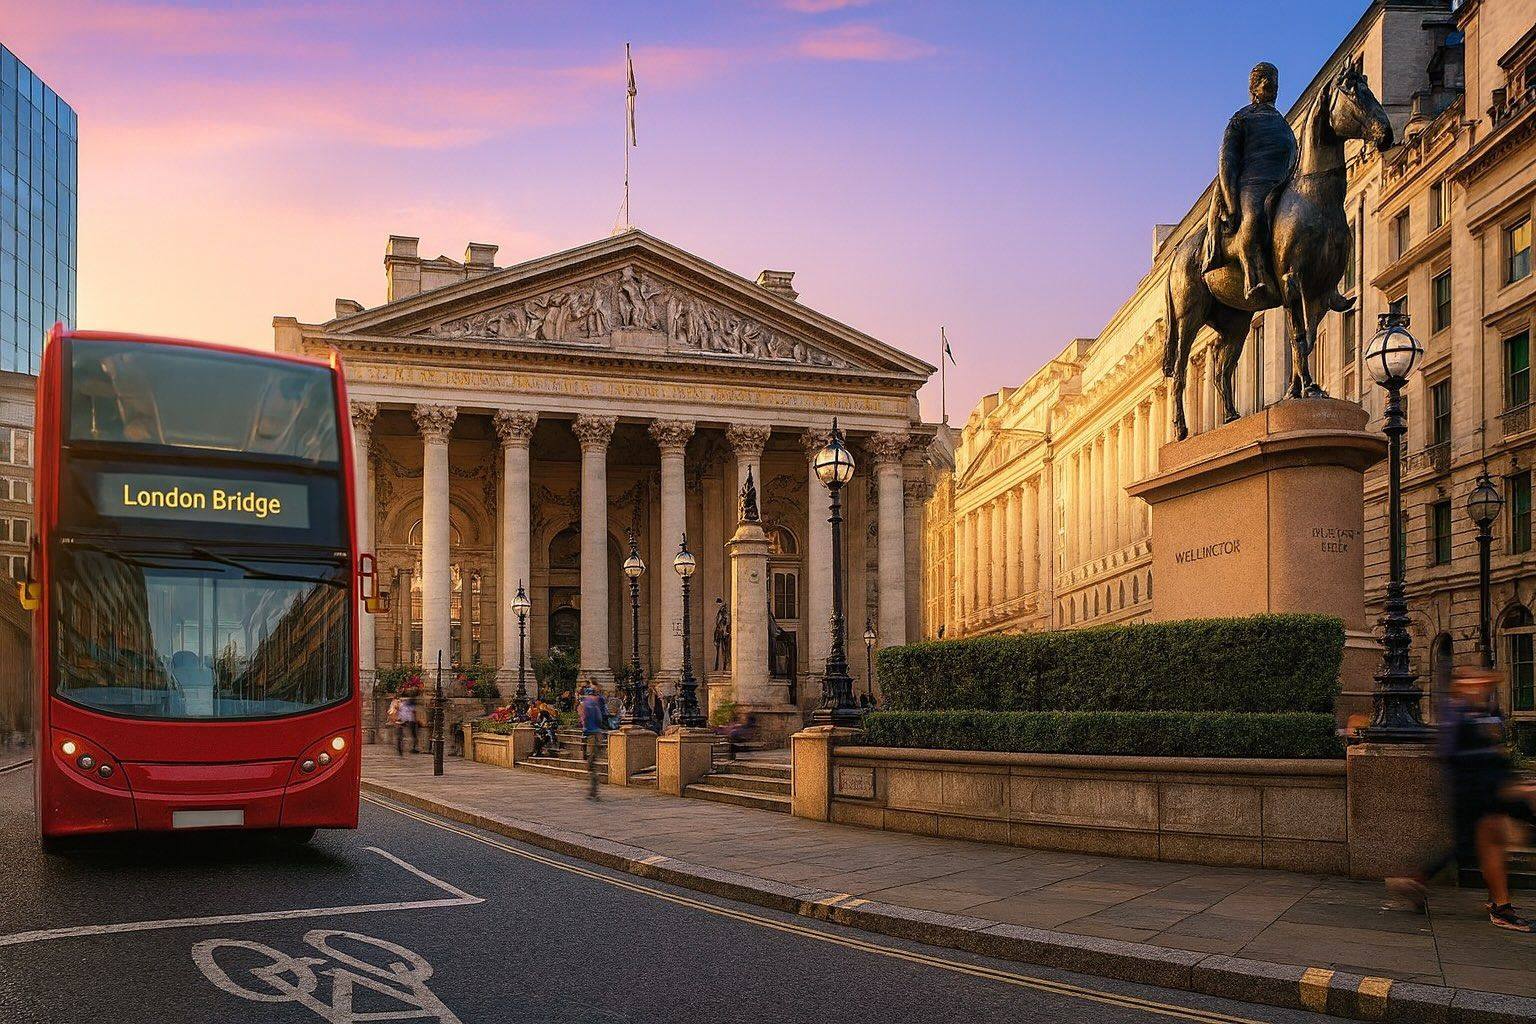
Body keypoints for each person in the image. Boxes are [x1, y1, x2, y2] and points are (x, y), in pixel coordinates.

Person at [1388, 667, 1536, 931]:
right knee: (1480, 843)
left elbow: (1495, 751)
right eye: (1472, 682)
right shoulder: (1458, 714)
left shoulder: (1483, 711)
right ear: (1460, 687)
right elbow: (1457, 755)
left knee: (1478, 844)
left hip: (1489, 789)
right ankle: (1499, 906)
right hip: (1475, 792)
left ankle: (1421, 881)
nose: (1480, 687)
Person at [1202, 61, 1298, 303]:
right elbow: (1227, 160)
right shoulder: (1242, 118)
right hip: (1252, 184)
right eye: (1263, 80)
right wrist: (1230, 201)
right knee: (1254, 217)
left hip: (1283, 184)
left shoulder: (1283, 124)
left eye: (1273, 82)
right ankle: (1253, 277)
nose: (1270, 85)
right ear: (1253, 88)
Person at [578, 685, 610, 800]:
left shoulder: (586, 704)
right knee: (593, 762)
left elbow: (583, 718)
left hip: (591, 735)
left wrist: (585, 726)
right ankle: (593, 790)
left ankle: (594, 791)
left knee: (591, 763)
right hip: (597, 734)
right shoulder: (596, 705)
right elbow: (600, 719)